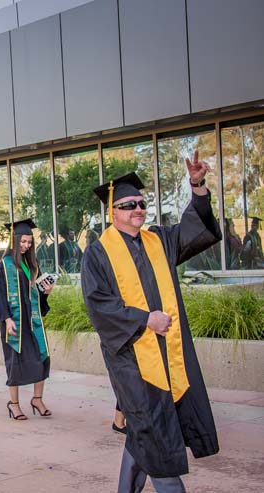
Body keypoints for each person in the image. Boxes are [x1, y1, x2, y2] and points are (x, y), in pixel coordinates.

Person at [80, 156, 220, 493]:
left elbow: (195, 230)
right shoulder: (99, 254)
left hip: (170, 356)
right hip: (131, 359)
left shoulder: (159, 240)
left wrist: (197, 188)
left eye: (142, 203)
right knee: (152, 430)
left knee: (144, 431)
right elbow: (99, 305)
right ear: (112, 212)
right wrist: (145, 320)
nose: (138, 210)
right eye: (129, 205)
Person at [0, 219, 54, 421]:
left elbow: (36, 293)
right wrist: (7, 318)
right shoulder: (5, 264)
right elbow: (0, 293)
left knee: (41, 356)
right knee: (15, 361)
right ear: (15, 241)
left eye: (29, 242)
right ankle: (14, 404)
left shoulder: (32, 264)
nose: (26, 246)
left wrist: (46, 292)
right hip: (15, 322)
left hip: (32, 321)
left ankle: (37, 399)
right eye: (23, 242)